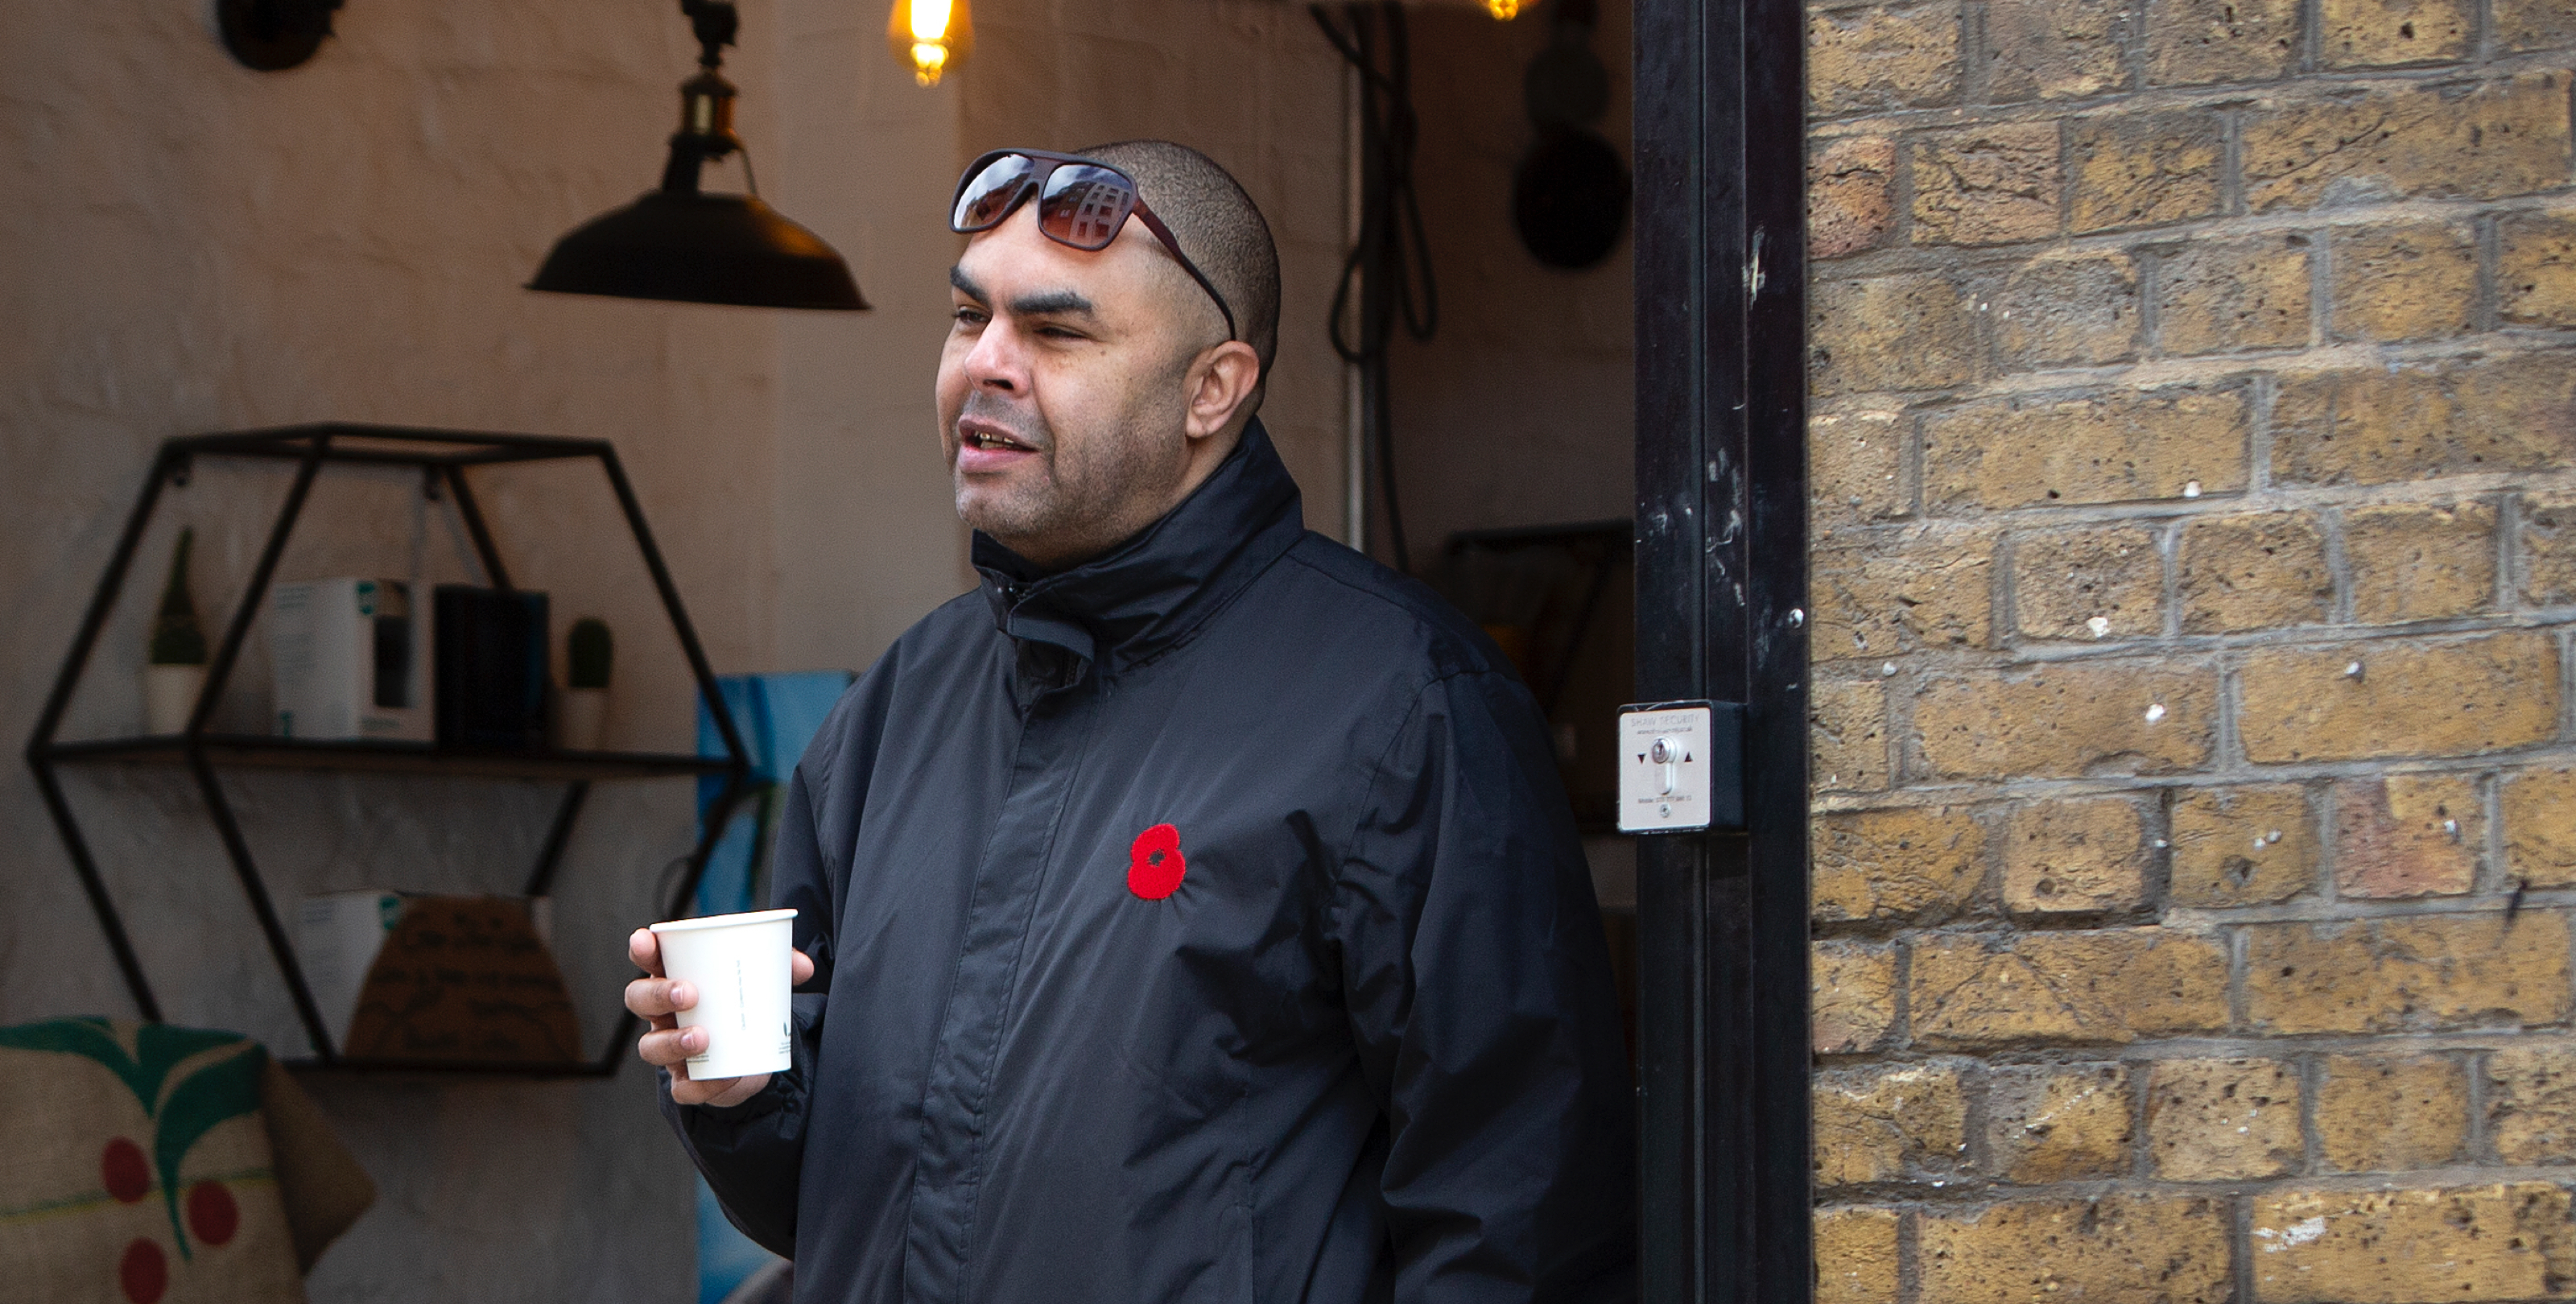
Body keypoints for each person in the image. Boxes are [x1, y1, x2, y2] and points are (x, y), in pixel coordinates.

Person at [625, 140, 1637, 1303]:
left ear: (1213, 389)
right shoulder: (899, 706)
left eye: (1056, 333)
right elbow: (823, 1204)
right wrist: (741, 1096)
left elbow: (1518, 1221)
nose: (986, 364)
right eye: (969, 317)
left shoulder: (1408, 710)